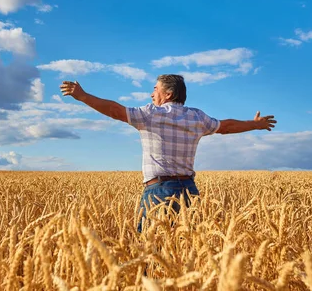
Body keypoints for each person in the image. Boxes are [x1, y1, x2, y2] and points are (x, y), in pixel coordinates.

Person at [60, 74, 276, 232]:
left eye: (155, 89)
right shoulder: (197, 117)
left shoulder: (150, 114)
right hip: (190, 191)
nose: (152, 93)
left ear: (168, 94)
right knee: (187, 251)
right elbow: (226, 127)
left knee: (150, 252)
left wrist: (83, 96)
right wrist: (254, 125)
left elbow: (116, 111)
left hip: (160, 192)